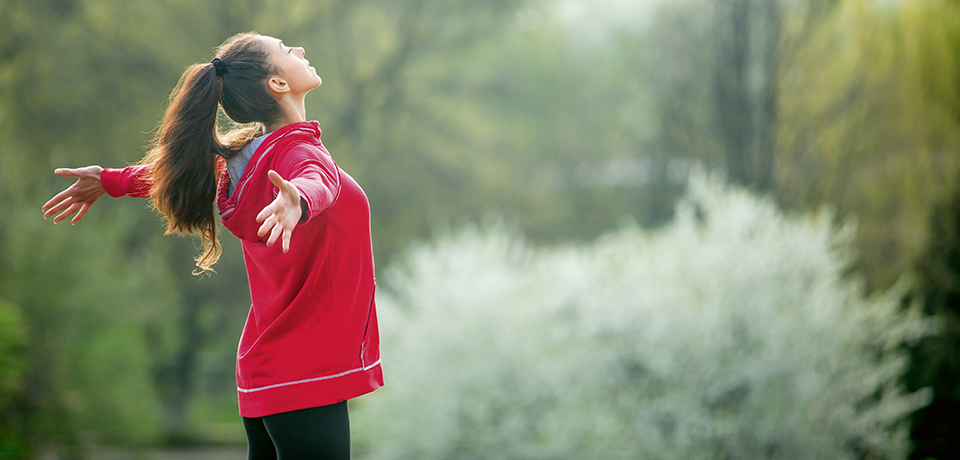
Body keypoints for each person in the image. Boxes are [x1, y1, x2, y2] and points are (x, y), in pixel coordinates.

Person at [41, 32, 383, 460]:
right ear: (277, 84)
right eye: (285, 50)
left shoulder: (248, 158)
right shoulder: (296, 152)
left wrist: (110, 180)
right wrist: (300, 197)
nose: (299, 50)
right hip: (303, 373)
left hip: (270, 370)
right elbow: (317, 176)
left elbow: (179, 172)